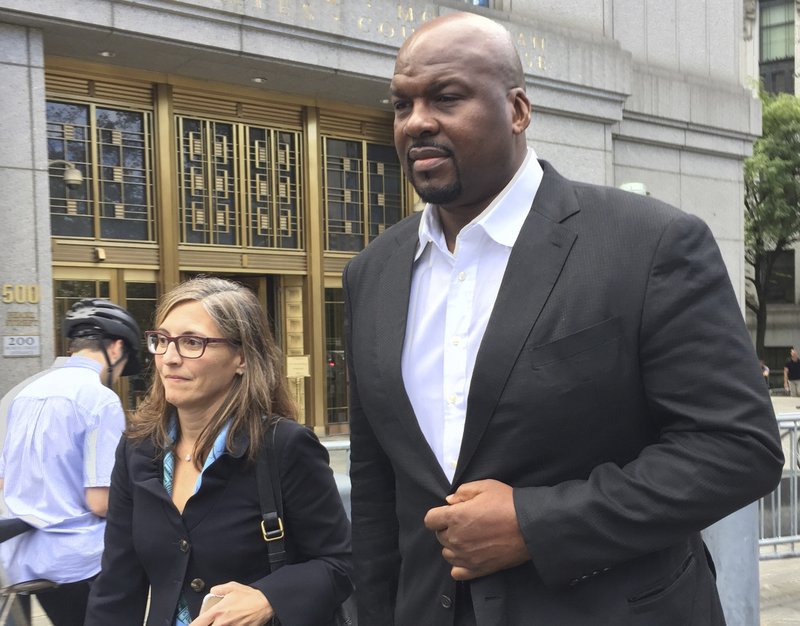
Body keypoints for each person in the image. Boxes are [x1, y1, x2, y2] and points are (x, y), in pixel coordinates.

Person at [342, 11, 784, 626]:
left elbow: (738, 449)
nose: (417, 121)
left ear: (517, 110)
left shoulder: (648, 244)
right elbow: (375, 487)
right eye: (402, 104)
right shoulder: (372, 274)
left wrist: (537, 525)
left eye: (446, 97)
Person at [85, 276, 352, 626]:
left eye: (192, 342)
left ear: (241, 357)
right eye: (162, 341)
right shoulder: (138, 449)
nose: (169, 358)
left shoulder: (283, 445)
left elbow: (341, 563)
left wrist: (269, 597)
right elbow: (118, 586)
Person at [0, 298, 141, 626]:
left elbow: (5, 482)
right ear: (117, 348)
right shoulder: (100, 399)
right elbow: (100, 501)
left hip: (20, 558)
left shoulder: (25, 394)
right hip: (77, 560)